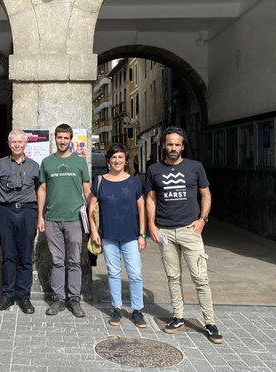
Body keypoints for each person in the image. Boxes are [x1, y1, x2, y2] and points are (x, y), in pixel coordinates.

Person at [146, 127, 224, 344]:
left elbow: (206, 195)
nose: (173, 148)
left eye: (177, 144)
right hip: (166, 232)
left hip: (190, 231)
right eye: (169, 144)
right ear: (163, 145)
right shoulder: (154, 170)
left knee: (200, 278)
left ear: (183, 146)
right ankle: (178, 317)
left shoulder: (195, 167)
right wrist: (151, 225)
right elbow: (151, 199)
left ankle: (210, 322)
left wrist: (203, 220)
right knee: (173, 277)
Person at [88, 144, 148, 328]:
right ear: (108, 160)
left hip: (130, 235)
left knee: (135, 274)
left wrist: (142, 234)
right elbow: (91, 209)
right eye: (114, 158)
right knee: (113, 273)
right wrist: (94, 231)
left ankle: (137, 310)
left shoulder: (134, 182)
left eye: (121, 157)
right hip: (108, 235)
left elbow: (141, 208)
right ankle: (117, 308)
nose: (117, 161)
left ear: (126, 160)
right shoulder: (99, 182)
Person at [37, 123, 91, 317]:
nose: (62, 141)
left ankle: (74, 300)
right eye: (59, 137)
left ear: (71, 139)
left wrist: (94, 214)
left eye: (66, 138)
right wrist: (40, 217)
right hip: (52, 219)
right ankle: (58, 299)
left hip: (75, 219)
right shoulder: (47, 162)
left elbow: (87, 190)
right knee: (57, 261)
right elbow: (42, 190)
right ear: (55, 139)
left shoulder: (79, 162)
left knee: (74, 261)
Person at [0, 129, 39, 314]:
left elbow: (39, 188)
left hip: (27, 211)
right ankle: (8, 294)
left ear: (26, 143)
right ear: (9, 144)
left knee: (26, 256)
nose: (17, 145)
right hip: (6, 210)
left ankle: (24, 296)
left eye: (20, 142)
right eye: (14, 142)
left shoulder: (35, 166)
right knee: (8, 255)